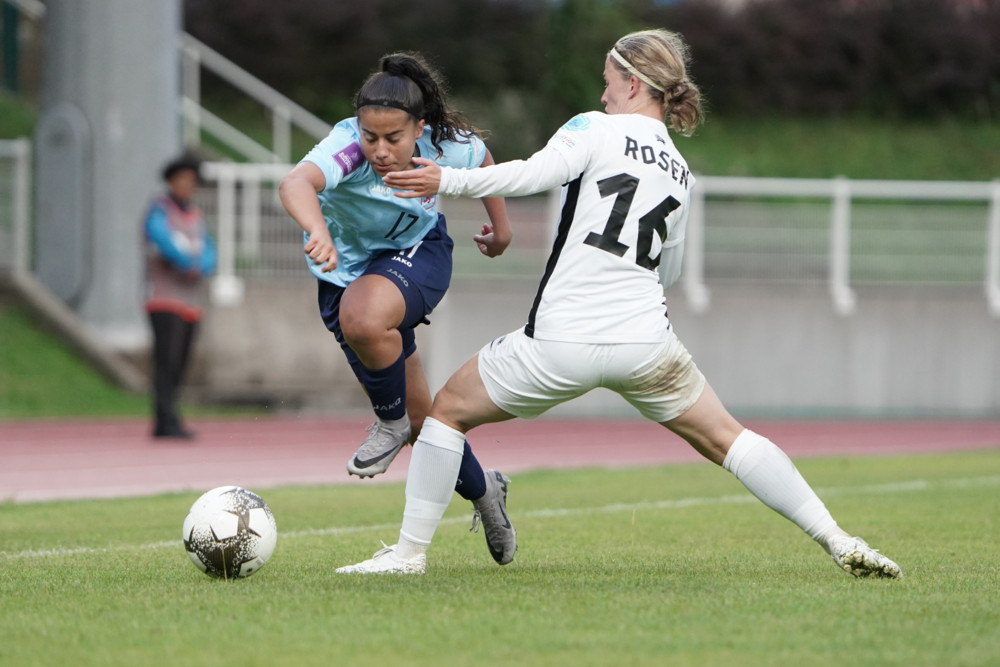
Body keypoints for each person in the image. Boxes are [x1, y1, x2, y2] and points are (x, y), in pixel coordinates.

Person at [336, 29, 903, 579]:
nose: (602, 92)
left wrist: (448, 178)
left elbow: (536, 173)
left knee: (444, 414)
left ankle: (408, 556)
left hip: (560, 342)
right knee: (730, 439)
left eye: (608, 81)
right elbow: (669, 270)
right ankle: (838, 538)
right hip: (646, 345)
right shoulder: (681, 172)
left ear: (633, 83)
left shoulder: (595, 127)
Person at [278, 53, 517, 564]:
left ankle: (387, 423)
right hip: (342, 275)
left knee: (364, 318)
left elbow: (483, 161)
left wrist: (502, 229)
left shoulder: (442, 146)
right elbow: (295, 183)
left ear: (420, 130)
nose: (380, 151)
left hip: (418, 254)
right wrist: (318, 229)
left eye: (394, 138)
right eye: (371, 137)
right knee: (422, 420)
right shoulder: (347, 148)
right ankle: (484, 490)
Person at [143, 152, 217, 439]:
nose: (187, 186)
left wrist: (204, 265)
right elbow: (159, 238)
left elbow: (209, 248)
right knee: (167, 360)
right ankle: (164, 419)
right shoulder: (159, 211)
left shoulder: (196, 215)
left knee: (182, 362)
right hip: (164, 299)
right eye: (181, 180)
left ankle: (172, 414)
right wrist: (187, 264)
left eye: (191, 181)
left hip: (190, 303)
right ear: (172, 182)